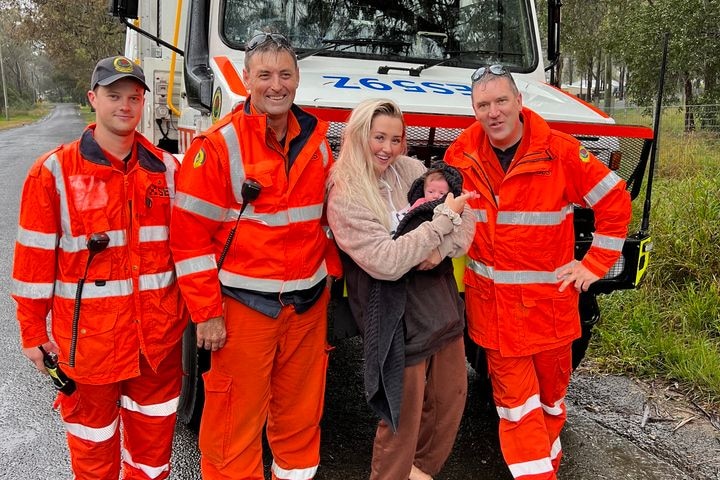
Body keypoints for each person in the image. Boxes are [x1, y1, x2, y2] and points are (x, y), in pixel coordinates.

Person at [444, 65, 632, 480]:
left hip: (550, 313)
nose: (493, 112)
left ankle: (546, 468)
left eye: (500, 101)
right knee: (517, 411)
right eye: (483, 105)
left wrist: (595, 263)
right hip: (495, 314)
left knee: (549, 405)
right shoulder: (460, 155)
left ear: (519, 103)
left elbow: (615, 201)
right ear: (474, 111)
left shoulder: (560, 152)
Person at [169, 33, 341, 480]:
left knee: (301, 421)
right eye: (264, 74)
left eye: (285, 73)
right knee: (233, 427)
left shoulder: (318, 142)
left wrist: (329, 285)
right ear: (246, 79)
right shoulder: (218, 146)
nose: (276, 85)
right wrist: (206, 313)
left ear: (298, 78)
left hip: (306, 305)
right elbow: (189, 241)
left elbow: (329, 220)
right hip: (244, 309)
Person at [11, 56, 185, 479]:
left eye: (133, 97)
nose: (124, 106)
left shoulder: (169, 172)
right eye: (113, 96)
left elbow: (190, 252)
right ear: (93, 99)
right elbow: (33, 260)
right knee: (93, 454)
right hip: (88, 348)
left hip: (156, 346)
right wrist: (33, 332)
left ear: (143, 103)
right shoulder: (54, 172)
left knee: (152, 456)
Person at [327, 98, 476, 480]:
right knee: (401, 418)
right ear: (360, 134)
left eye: (396, 139)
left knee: (449, 402)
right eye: (379, 137)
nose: (387, 149)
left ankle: (422, 472)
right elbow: (386, 263)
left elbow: (465, 217)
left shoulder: (411, 169)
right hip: (393, 318)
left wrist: (434, 249)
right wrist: (437, 229)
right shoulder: (345, 193)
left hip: (439, 309)